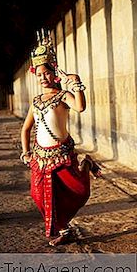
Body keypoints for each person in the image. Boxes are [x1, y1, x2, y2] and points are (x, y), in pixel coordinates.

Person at [20, 29, 101, 246]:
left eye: (46, 73)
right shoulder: (36, 101)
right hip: (40, 157)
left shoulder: (63, 96)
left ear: (54, 72)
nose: (43, 78)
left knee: (79, 191)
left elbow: (81, 107)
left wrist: (76, 82)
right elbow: (26, 129)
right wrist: (26, 152)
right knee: (39, 195)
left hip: (62, 154)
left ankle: (86, 166)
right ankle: (64, 229)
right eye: (38, 75)